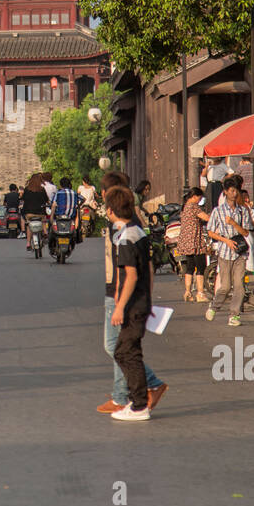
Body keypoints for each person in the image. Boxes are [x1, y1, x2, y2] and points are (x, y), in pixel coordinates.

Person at [96, 171, 167, 414]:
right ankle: (131, 391)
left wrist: (122, 300)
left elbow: (135, 271)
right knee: (121, 347)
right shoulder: (133, 226)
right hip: (127, 294)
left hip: (122, 295)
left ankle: (126, 395)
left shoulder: (125, 228)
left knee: (117, 347)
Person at [105, 184, 156, 422]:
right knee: (129, 351)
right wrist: (150, 298)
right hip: (142, 301)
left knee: (125, 353)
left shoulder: (125, 239)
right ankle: (138, 401)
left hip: (133, 304)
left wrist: (119, 306)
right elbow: (149, 270)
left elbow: (132, 275)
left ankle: (138, 405)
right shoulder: (140, 232)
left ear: (111, 211)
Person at [206, 175, 254, 327]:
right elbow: (210, 231)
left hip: (240, 252)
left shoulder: (242, 211)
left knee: (239, 286)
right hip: (225, 251)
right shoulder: (217, 211)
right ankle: (214, 305)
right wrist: (226, 241)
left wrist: (232, 223)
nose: (234, 194)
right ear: (225, 192)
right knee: (225, 286)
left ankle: (234, 315)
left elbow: (245, 232)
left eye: (235, 191)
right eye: (231, 191)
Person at [175, 188, 211, 303]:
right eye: (199, 198)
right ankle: (200, 293)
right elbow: (207, 218)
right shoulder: (194, 207)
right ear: (195, 196)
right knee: (201, 266)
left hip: (186, 241)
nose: (200, 200)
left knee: (190, 267)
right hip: (195, 241)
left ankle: (188, 292)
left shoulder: (185, 206)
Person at [21, 174, 50, 251]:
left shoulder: (27, 189)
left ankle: (28, 243)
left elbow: (23, 199)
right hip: (40, 213)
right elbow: (47, 200)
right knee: (43, 220)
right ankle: (45, 233)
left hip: (29, 213)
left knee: (29, 225)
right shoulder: (42, 189)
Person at [51, 176, 79, 248]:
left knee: (51, 226)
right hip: (71, 217)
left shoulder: (58, 193)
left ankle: (51, 243)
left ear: (60, 185)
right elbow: (83, 199)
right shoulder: (75, 193)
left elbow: (53, 203)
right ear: (69, 184)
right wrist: (76, 205)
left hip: (59, 216)